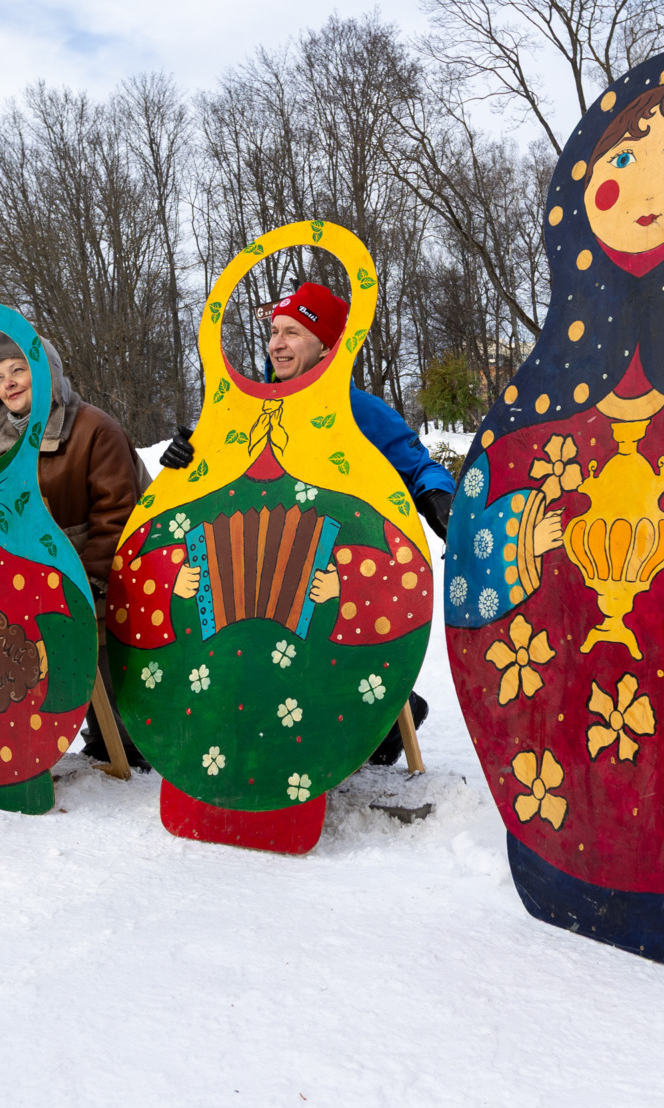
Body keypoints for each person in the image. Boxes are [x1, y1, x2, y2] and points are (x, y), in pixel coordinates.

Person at [161, 280, 457, 763]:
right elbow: (217, 476)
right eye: (274, 331)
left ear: (326, 346)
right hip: (261, 562)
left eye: (293, 332)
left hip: (330, 558)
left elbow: (417, 464)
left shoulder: (357, 409)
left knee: (327, 643)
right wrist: (187, 456)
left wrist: (437, 499)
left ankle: (386, 716)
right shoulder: (247, 409)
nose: (276, 344)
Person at [0, 327, 146, 766]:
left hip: (101, 571)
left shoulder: (94, 429)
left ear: (45, 372)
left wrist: (88, 578)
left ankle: (128, 744)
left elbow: (118, 513)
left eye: (18, 370)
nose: (9, 383)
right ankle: (85, 738)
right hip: (40, 573)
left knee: (104, 659)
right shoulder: (5, 441)